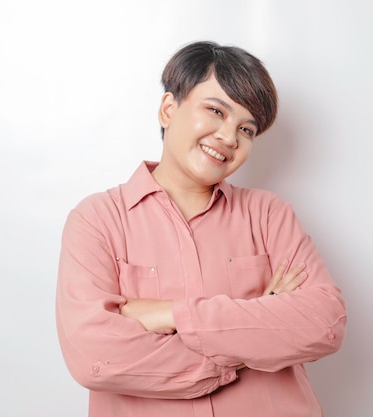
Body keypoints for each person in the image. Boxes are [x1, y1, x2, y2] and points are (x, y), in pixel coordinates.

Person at [56, 40, 347, 417]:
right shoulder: (96, 219)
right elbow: (93, 355)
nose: (229, 137)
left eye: (247, 129)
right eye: (215, 111)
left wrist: (173, 315)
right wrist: (250, 336)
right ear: (168, 110)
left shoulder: (269, 215)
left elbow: (324, 323)